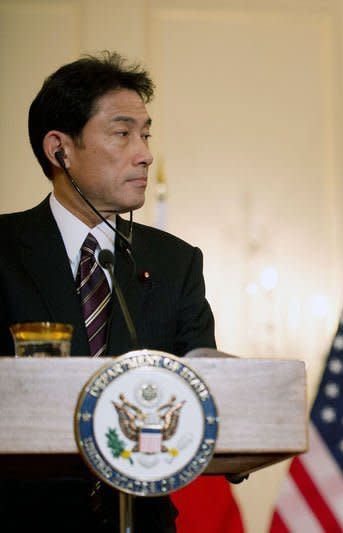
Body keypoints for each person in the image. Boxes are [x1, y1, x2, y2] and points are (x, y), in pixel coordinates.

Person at [0, 51, 216, 532]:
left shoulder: (176, 263)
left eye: (146, 134)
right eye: (122, 134)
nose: (145, 153)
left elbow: (204, 393)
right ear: (60, 149)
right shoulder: (5, 251)